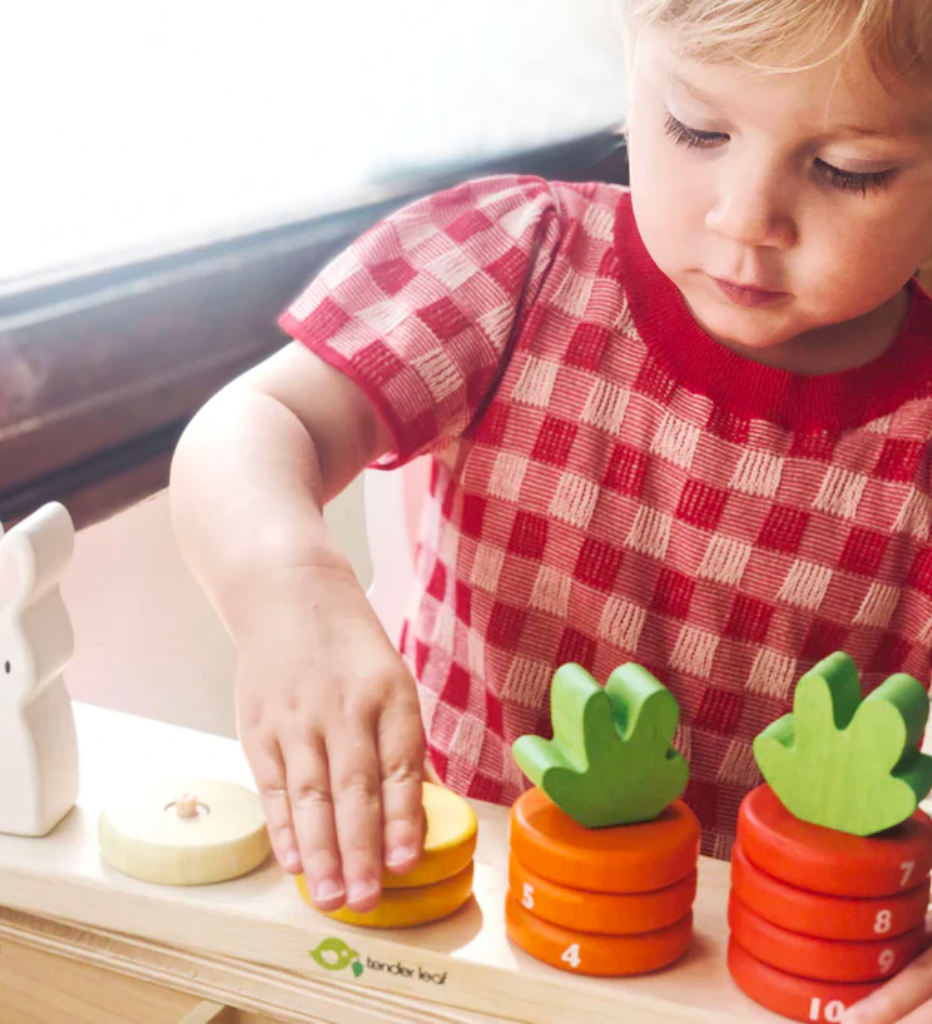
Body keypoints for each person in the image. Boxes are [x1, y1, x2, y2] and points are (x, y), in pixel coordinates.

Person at [171, 3, 932, 1018]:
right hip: (443, 932)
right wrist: (285, 593)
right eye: (697, 129)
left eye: (848, 170)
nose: (745, 218)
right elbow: (257, 423)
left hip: (745, 990)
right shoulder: (516, 259)